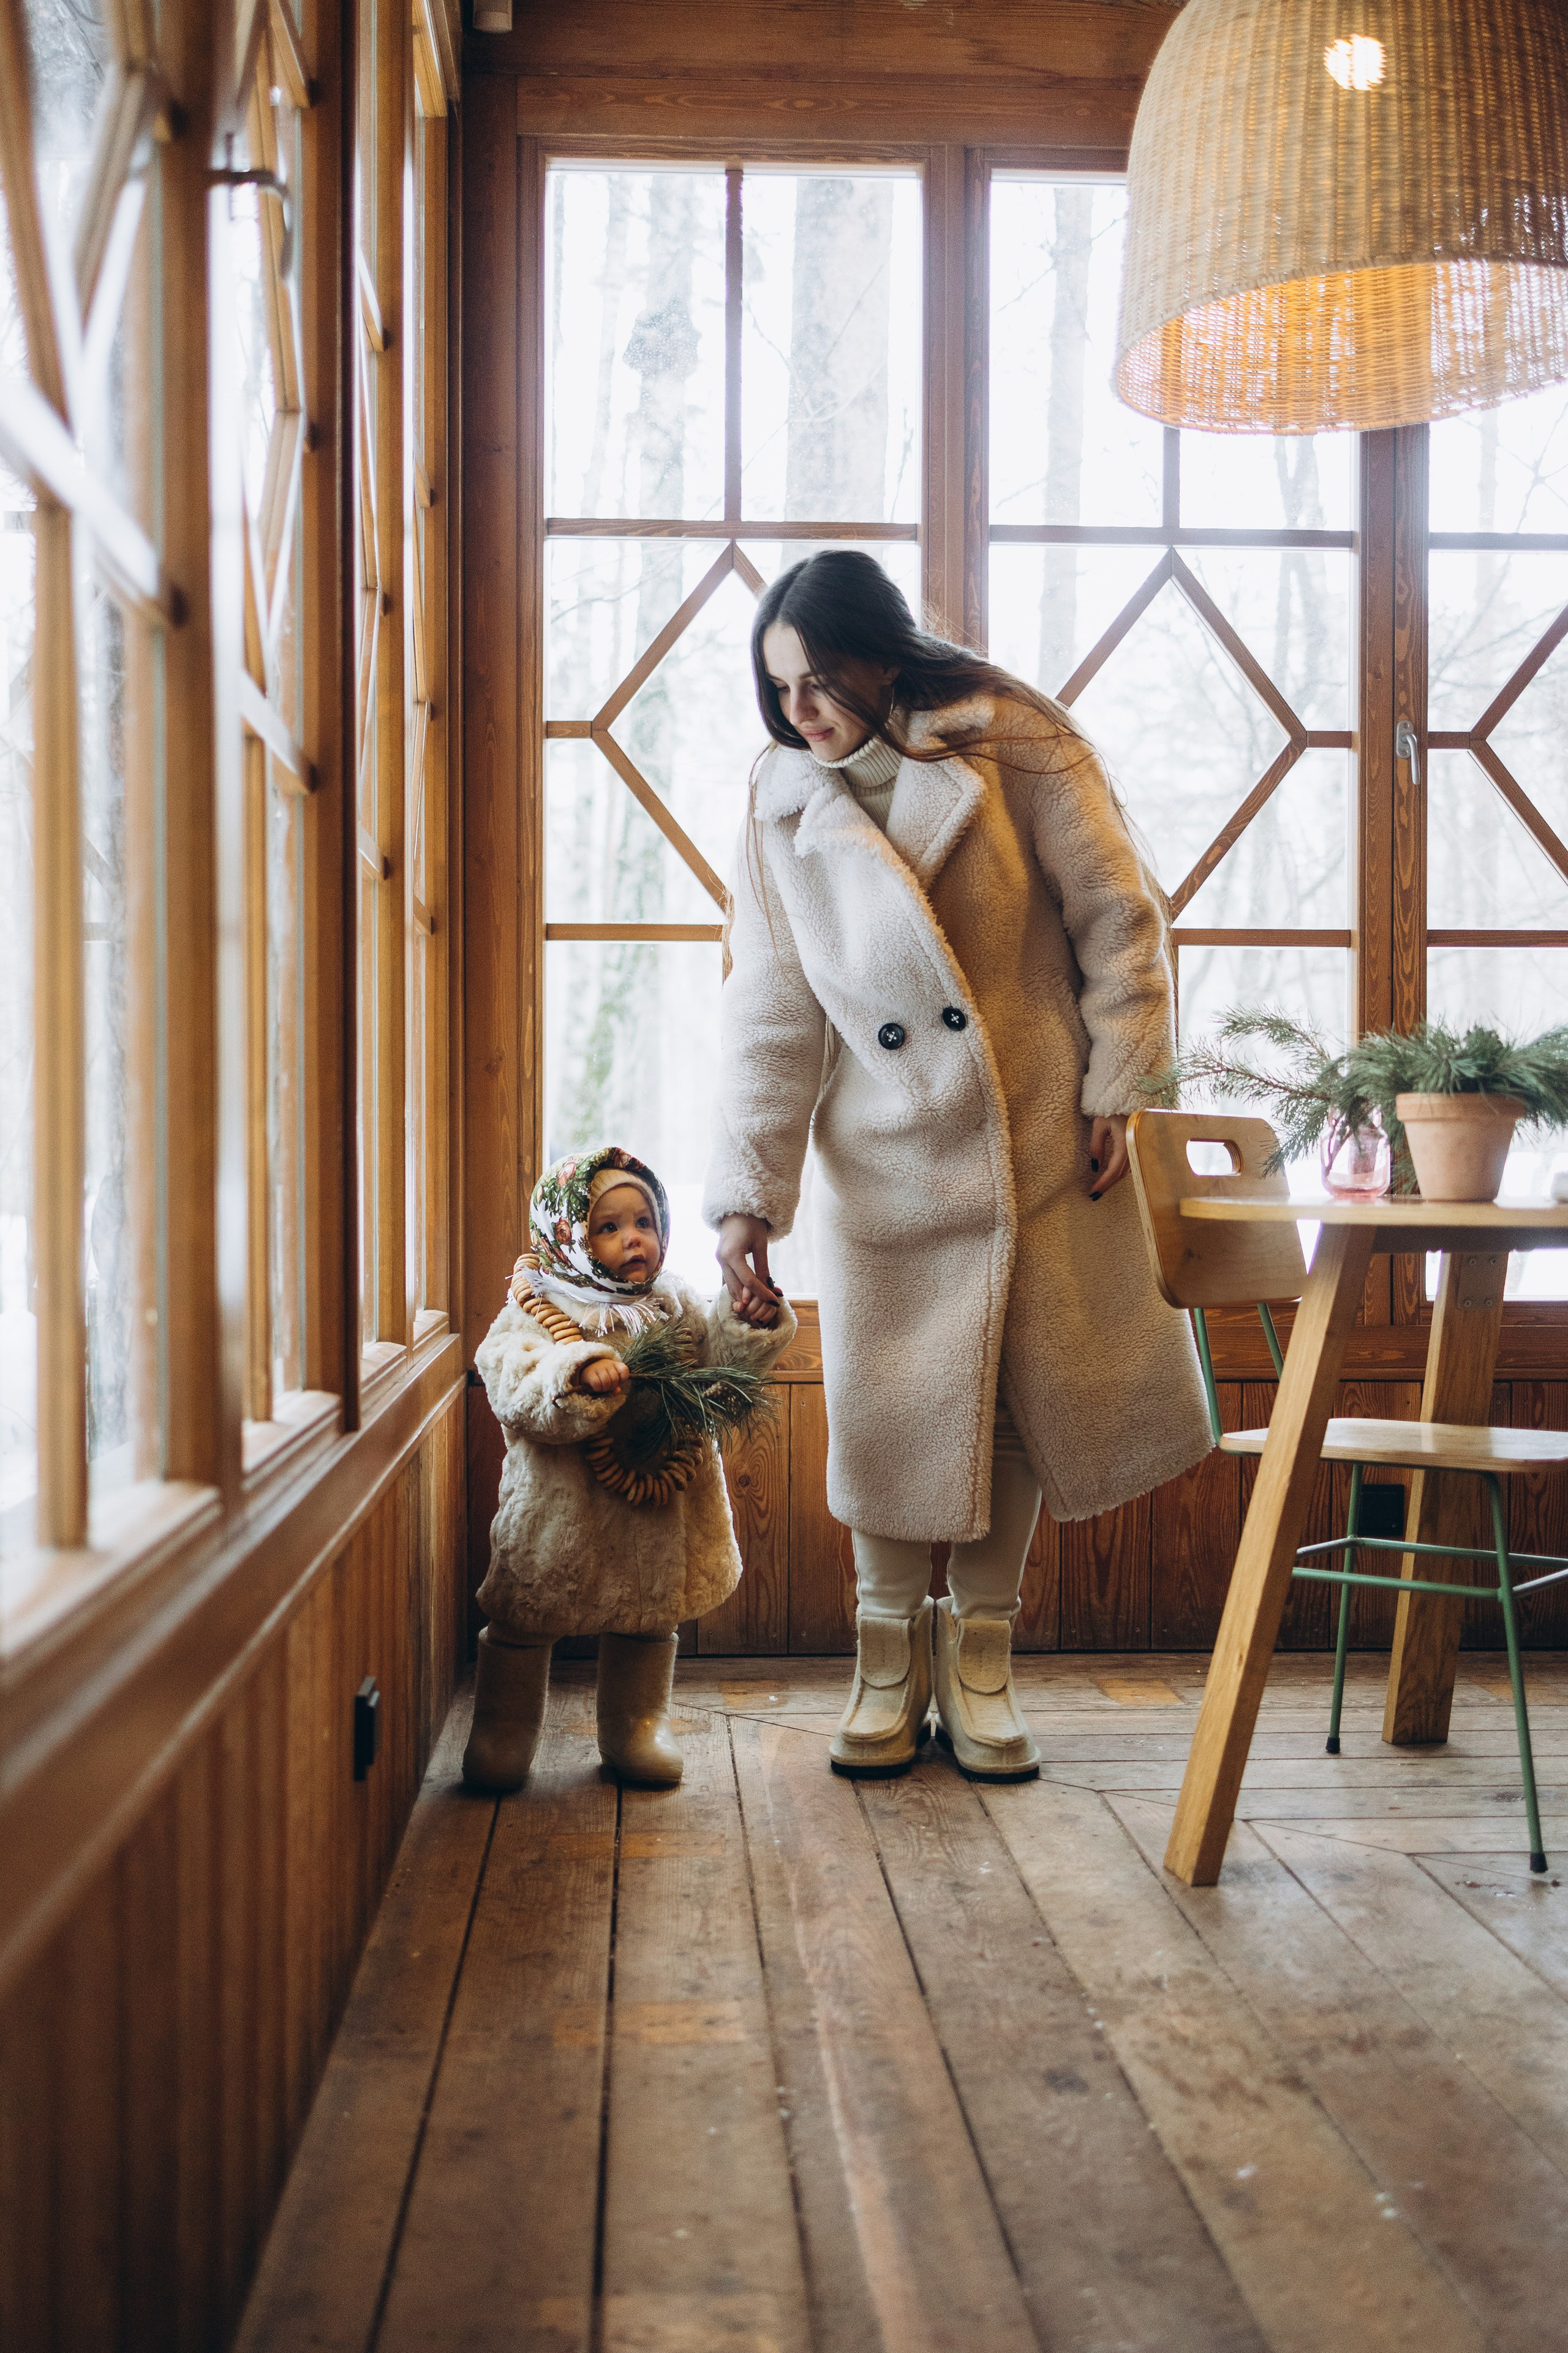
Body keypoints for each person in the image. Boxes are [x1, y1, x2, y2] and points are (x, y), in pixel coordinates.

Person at [704, 551, 1210, 1782]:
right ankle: (884, 1666)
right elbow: (770, 1010)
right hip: (884, 1156)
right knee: (887, 1414)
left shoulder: (1013, 743)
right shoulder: (779, 805)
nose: (802, 711)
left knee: (1019, 1405)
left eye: (819, 679)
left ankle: (977, 1665)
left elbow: (1118, 917)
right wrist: (743, 1204)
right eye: (781, 691)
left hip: (1040, 1135)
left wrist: (1122, 1087)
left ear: (880, 655)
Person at [464, 1145, 795, 1794]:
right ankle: (502, 1730)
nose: (632, 1239)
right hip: (559, 1511)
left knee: (647, 1615)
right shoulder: (533, 1310)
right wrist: (575, 1372)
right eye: (607, 1227)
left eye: (643, 1221)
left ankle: (636, 1727)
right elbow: (511, 1378)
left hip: (657, 1506)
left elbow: (718, 1366)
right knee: (525, 1616)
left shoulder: (673, 1306)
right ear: (567, 1238)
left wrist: (745, 1323)